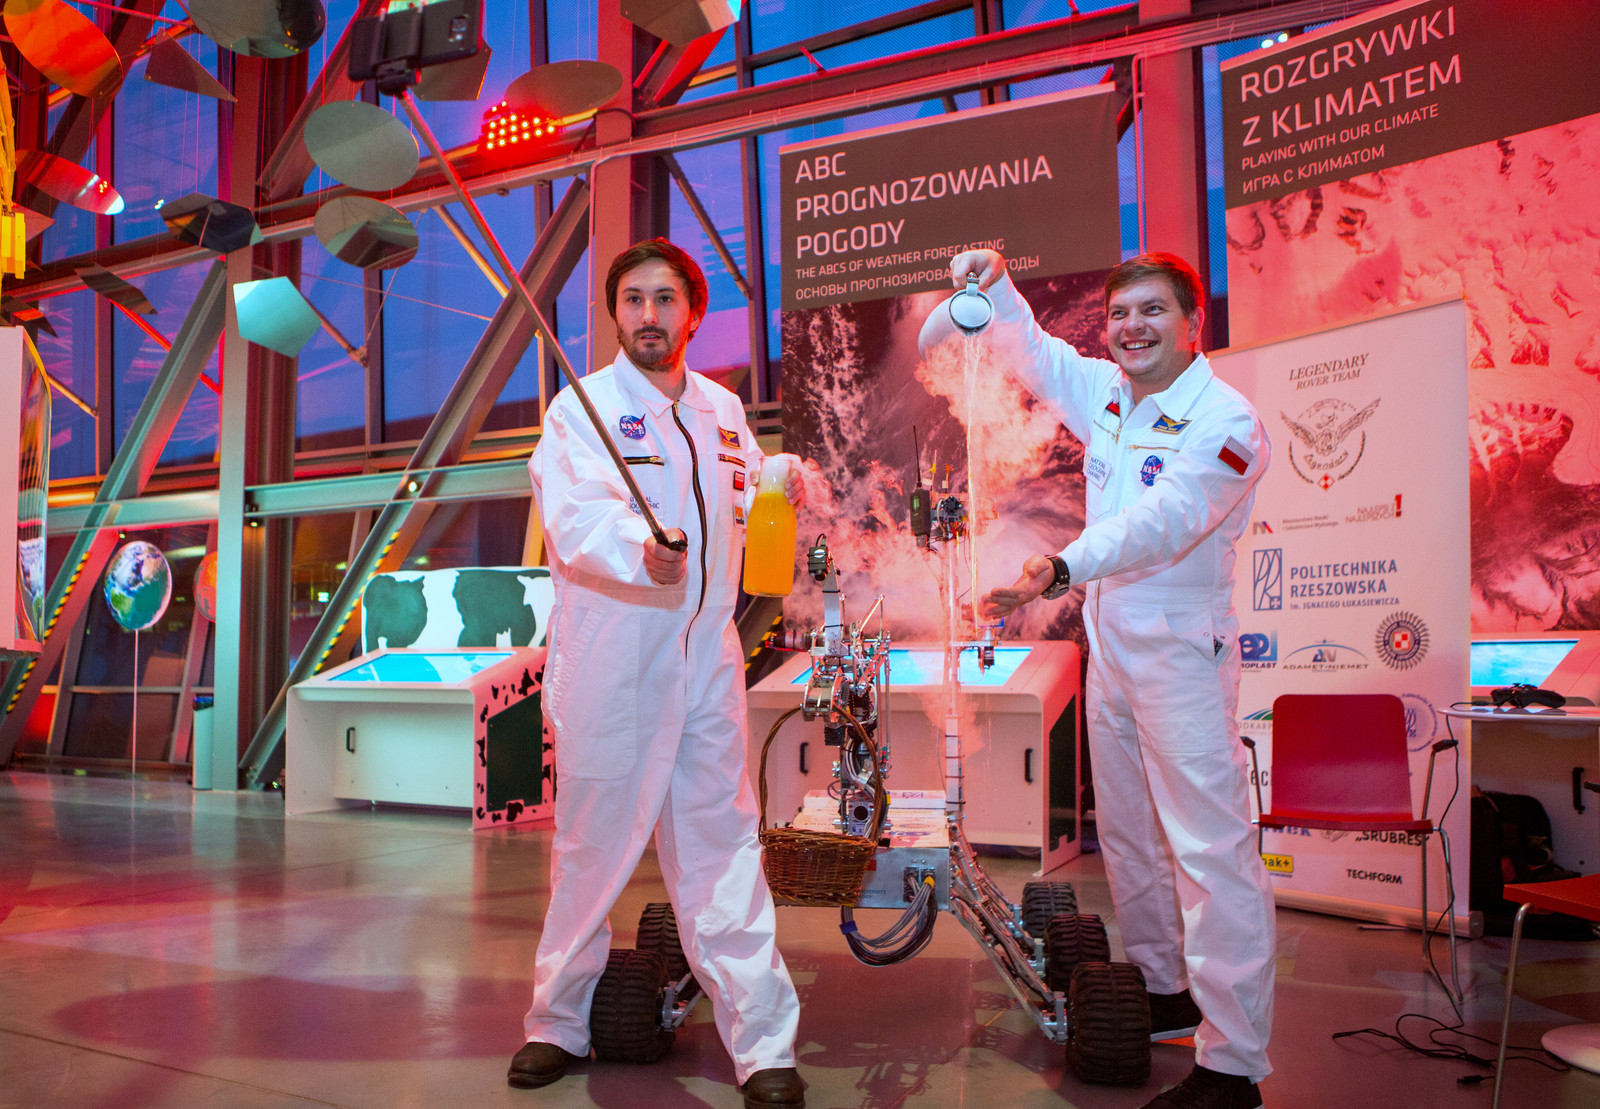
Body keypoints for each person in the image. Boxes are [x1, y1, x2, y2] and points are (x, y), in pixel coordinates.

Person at [920, 250, 1275, 1109]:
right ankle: (1163, 987)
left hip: (1180, 650)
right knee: (1128, 833)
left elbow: (1167, 520)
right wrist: (995, 283)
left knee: (1211, 850)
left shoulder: (1227, 422)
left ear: (1193, 324)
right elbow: (1036, 354)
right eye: (1120, 313)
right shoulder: (1110, 394)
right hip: (1113, 642)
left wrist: (1060, 566)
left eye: (1152, 311)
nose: (1131, 327)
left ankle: (1234, 1066)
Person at [512, 238, 806, 1109]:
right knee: (591, 849)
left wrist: (779, 481)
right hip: (615, 661)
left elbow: (741, 498)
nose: (648, 314)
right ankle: (555, 1023)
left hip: (707, 660)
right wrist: (639, 549)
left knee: (724, 846)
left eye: (665, 298)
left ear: (693, 312)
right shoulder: (582, 409)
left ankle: (764, 1043)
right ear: (615, 312)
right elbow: (573, 516)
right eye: (633, 298)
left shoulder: (722, 409)